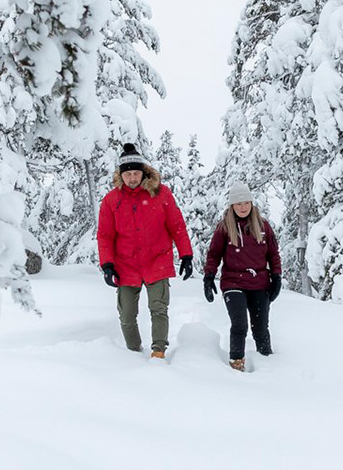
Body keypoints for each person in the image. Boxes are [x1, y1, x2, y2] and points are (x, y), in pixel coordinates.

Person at [97, 143, 193, 359]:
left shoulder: (161, 194)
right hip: (125, 264)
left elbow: (177, 226)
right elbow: (105, 235)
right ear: (121, 175)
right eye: (128, 174)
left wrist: (186, 254)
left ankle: (158, 351)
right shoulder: (111, 200)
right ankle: (133, 353)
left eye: (136, 173)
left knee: (158, 308)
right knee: (127, 315)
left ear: (144, 172)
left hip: (156, 261)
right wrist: (107, 264)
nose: (132, 178)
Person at [202, 179, 281, 372]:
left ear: (252, 203)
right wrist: (209, 276)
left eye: (246, 202)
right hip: (233, 282)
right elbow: (214, 254)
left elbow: (273, 254)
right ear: (232, 205)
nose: (243, 207)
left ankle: (268, 365)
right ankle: (236, 364)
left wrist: (277, 277)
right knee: (240, 325)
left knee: (260, 327)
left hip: (260, 283)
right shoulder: (224, 227)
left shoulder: (263, 226)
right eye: (238, 203)